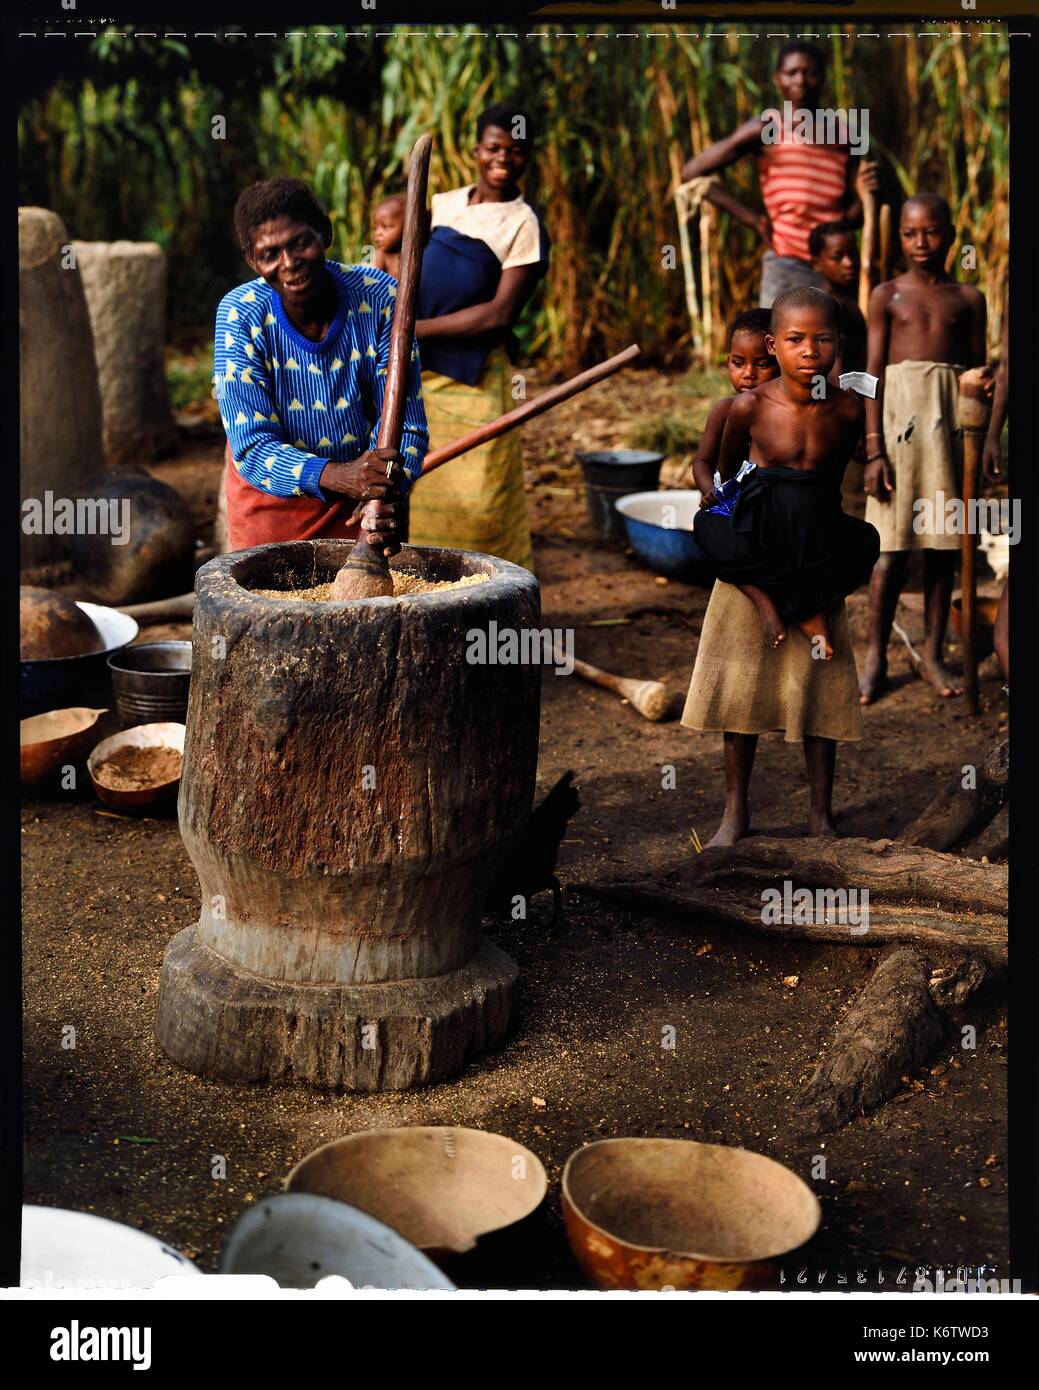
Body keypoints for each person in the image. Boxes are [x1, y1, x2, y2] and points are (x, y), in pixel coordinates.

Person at [682, 288, 879, 848]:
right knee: (741, 696)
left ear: (840, 344)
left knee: (821, 693)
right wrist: (731, 518)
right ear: (775, 344)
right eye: (794, 340)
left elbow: (842, 481)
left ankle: (820, 814)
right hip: (760, 550)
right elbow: (724, 479)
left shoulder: (847, 407)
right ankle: (735, 813)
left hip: (814, 548)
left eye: (822, 339)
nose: (809, 351)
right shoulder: (748, 406)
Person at [214, 177, 428, 552]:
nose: (290, 264)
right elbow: (252, 447)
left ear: (324, 233)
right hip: (271, 505)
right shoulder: (241, 314)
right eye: (270, 254)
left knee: (366, 605)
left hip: (363, 503)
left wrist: (384, 492)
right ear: (252, 260)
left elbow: (406, 424)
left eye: (300, 243)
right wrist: (339, 475)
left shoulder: (379, 296)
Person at [407, 103, 550, 572]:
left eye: (516, 150)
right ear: (476, 151)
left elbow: (499, 315)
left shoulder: (524, 225)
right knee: (422, 489)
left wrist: (412, 329)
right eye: (494, 147)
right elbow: (405, 266)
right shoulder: (443, 203)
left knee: (478, 499)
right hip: (416, 376)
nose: (503, 157)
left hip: (472, 383)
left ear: (527, 157)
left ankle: (484, 595)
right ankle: (426, 593)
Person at [858, 193, 987, 703]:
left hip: (952, 432)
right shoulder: (887, 295)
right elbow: (870, 375)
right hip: (898, 433)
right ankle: (875, 656)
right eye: (910, 234)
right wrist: (873, 449)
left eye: (931, 232)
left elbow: (980, 374)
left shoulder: (968, 299)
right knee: (889, 551)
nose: (920, 243)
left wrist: (987, 438)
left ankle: (933, 654)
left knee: (940, 550)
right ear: (900, 238)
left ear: (950, 236)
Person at [680, 41, 878, 308]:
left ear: (823, 78)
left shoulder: (844, 133)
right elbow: (692, 172)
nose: (801, 80)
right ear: (777, 79)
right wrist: (754, 221)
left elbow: (856, 211)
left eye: (810, 72)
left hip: (836, 267)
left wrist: (865, 197)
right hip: (786, 260)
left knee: (834, 343)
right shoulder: (768, 127)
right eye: (792, 72)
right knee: (777, 342)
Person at [692, 308, 779, 500]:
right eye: (738, 364)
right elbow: (702, 462)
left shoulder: (785, 413)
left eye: (762, 365)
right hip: (728, 505)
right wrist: (711, 492)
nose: (748, 373)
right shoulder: (724, 410)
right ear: (728, 362)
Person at [809, 220, 867, 376]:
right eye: (837, 257)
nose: (849, 263)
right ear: (816, 263)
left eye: (853, 254)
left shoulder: (860, 295)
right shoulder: (824, 305)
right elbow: (831, 365)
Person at [372, 193, 405, 280]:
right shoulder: (381, 255)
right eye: (375, 228)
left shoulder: (421, 251)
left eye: (386, 226)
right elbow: (371, 283)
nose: (378, 233)